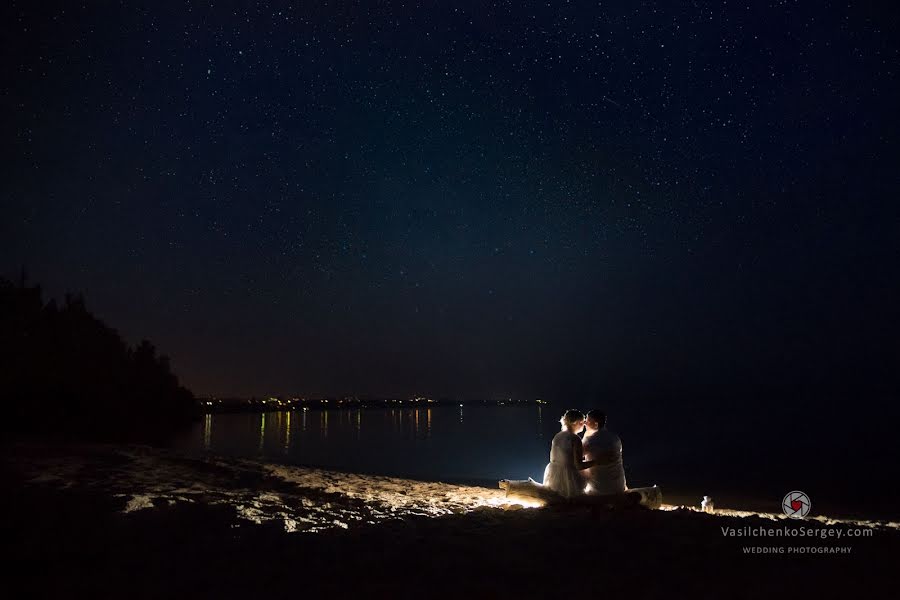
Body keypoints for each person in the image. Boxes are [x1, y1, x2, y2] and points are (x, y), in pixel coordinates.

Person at [542, 409, 596, 498]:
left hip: (554, 475)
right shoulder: (575, 439)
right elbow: (579, 465)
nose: (584, 424)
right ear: (574, 423)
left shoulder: (558, 436)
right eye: (582, 422)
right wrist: (597, 461)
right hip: (569, 477)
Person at [581, 409, 627, 495]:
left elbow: (576, 457)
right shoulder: (615, 438)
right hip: (619, 486)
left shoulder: (589, 440)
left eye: (587, 420)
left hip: (601, 489)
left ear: (595, 424)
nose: (584, 423)